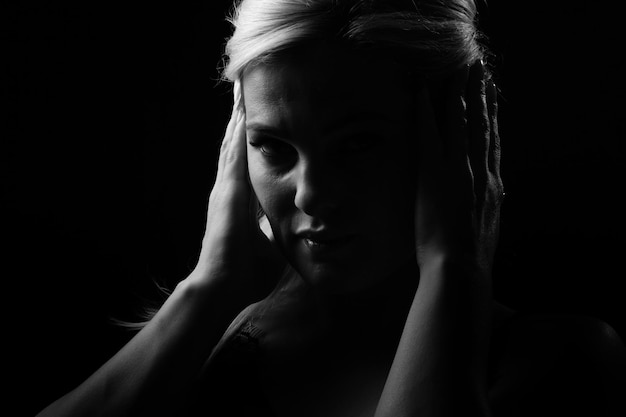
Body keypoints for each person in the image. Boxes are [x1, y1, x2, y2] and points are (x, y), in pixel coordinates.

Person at [36, 0, 626, 416]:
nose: (311, 193)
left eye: (358, 144)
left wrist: (454, 271)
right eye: (273, 145)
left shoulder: (557, 363)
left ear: (460, 139)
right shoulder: (205, 352)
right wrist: (207, 289)